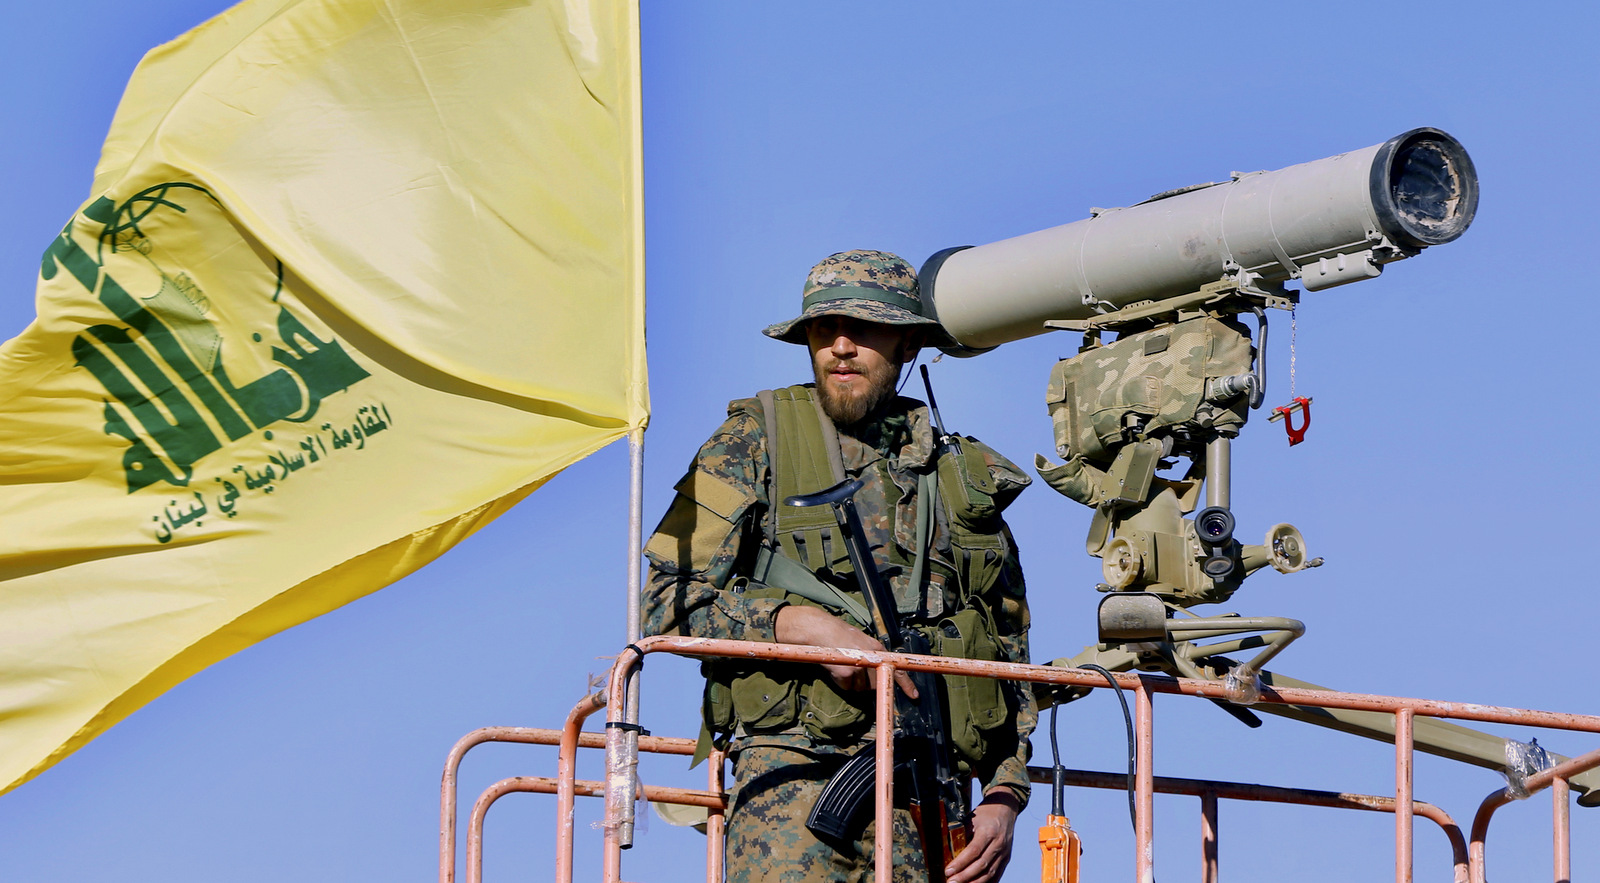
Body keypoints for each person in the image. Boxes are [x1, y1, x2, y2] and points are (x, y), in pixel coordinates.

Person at [642, 250, 1035, 883]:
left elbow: (1006, 651)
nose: (841, 347)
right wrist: (799, 628)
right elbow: (664, 602)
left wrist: (1005, 793)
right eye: (824, 330)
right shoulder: (752, 440)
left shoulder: (962, 478)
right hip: (792, 798)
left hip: (933, 807)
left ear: (908, 343)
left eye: (864, 329)